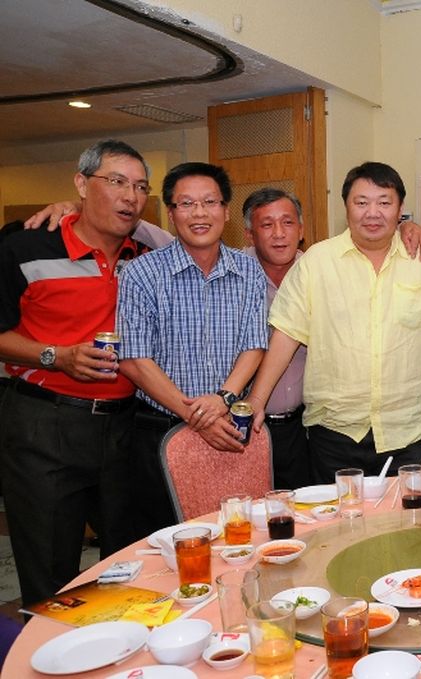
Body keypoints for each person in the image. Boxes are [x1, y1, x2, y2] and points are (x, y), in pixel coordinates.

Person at [246, 162, 421, 481]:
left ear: (400, 209)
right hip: (334, 433)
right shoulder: (316, 262)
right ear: (346, 207)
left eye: (384, 202)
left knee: (413, 514)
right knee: (339, 514)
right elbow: (286, 334)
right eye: (361, 202)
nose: (372, 213)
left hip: (407, 433)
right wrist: (257, 399)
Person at [0, 140, 148, 606]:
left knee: (130, 565)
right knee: (51, 574)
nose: (130, 196)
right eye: (117, 182)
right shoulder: (25, 247)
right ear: (82, 184)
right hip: (45, 425)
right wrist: (56, 356)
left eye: (141, 187)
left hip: (124, 428)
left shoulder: (144, 256)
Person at [117, 162, 267, 537]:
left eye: (210, 202)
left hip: (232, 428)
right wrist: (196, 414)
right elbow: (133, 359)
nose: (199, 213)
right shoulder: (141, 273)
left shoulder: (249, 271)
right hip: (160, 431)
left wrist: (224, 397)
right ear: (171, 214)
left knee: (240, 536)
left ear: (226, 211)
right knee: (168, 545)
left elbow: (254, 344)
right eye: (186, 204)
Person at [241, 188, 312, 488]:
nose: (279, 234)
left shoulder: (317, 271)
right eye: (267, 225)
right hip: (245, 426)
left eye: (288, 222)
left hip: (305, 429)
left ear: (301, 230)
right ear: (249, 235)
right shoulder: (233, 275)